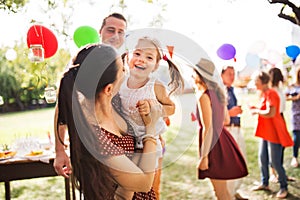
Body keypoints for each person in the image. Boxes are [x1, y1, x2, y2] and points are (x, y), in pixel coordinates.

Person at [56, 44, 160, 199]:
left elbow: (61, 107)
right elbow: (143, 183)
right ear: (108, 89)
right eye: (122, 70)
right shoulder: (96, 138)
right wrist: (151, 130)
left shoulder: (115, 103)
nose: (126, 73)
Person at [53, 12, 127, 178]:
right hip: (93, 149)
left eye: (121, 32)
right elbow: (62, 108)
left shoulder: (129, 62)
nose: (116, 35)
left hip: (127, 149)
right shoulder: (84, 62)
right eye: (110, 30)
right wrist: (60, 151)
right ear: (100, 32)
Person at [118, 36, 184, 199]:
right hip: (128, 143)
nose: (141, 60)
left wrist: (156, 108)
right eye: (138, 54)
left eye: (149, 57)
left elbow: (172, 107)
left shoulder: (155, 85)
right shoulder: (120, 83)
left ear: (155, 66)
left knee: (147, 188)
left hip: (151, 142)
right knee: (127, 189)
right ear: (129, 56)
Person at [192, 58, 248, 200]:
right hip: (223, 139)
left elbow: (208, 128)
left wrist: (204, 157)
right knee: (224, 192)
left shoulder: (204, 96)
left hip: (213, 146)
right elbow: (226, 120)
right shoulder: (219, 93)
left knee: (221, 194)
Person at [249, 71, 293, 199]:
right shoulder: (264, 94)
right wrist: (256, 107)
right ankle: (264, 183)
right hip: (266, 133)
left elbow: (271, 113)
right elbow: (265, 109)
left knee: (275, 162)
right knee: (262, 158)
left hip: (275, 132)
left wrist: (256, 111)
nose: (255, 84)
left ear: (262, 82)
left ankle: (283, 187)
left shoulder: (272, 93)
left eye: (256, 81)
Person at [221, 65, 247, 200]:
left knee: (241, 161)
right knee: (232, 163)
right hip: (228, 130)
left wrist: (237, 112)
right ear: (221, 75)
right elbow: (218, 116)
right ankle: (228, 194)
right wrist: (232, 113)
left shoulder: (232, 90)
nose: (232, 76)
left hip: (236, 128)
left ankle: (234, 191)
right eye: (229, 74)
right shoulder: (220, 91)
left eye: (233, 73)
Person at [268, 67, 287, 182]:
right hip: (277, 118)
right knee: (275, 146)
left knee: (279, 146)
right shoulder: (275, 91)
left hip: (279, 117)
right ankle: (273, 172)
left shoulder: (278, 90)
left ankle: (278, 171)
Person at [286, 67, 300, 168]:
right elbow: (285, 97)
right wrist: (296, 97)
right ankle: (294, 157)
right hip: (296, 114)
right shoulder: (292, 86)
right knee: (296, 136)